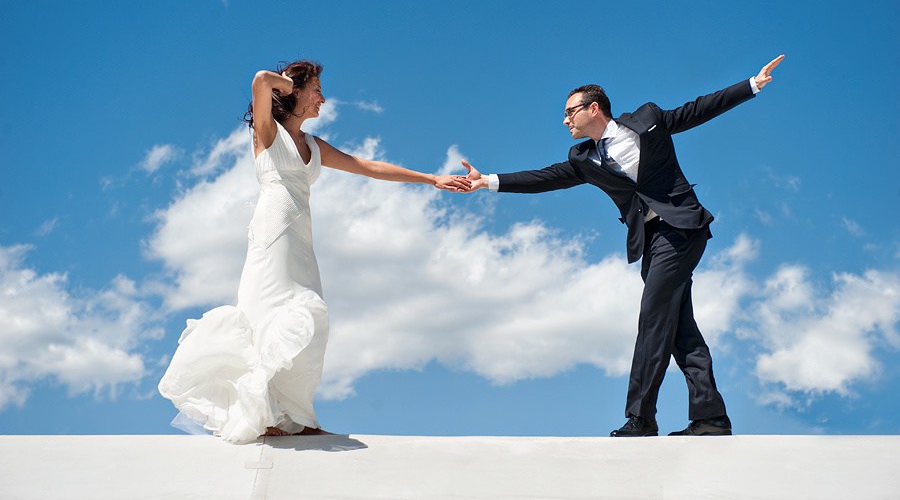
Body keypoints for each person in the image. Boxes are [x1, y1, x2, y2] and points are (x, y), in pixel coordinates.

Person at [460, 56, 784, 436]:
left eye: (570, 112)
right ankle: (710, 416)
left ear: (593, 109)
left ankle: (641, 417)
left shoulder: (647, 119)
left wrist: (751, 84)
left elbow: (698, 110)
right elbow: (544, 178)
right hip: (650, 242)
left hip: (681, 227)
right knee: (679, 328)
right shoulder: (581, 158)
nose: (565, 120)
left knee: (651, 318)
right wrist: (488, 182)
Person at [158, 60, 470, 444]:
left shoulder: (314, 146)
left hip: (302, 242)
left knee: (309, 320)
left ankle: (296, 415)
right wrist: (286, 82)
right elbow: (260, 80)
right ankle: (263, 413)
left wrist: (431, 178)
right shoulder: (267, 132)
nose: (323, 97)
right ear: (294, 92)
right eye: (317, 89)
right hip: (273, 237)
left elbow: (368, 166)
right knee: (269, 315)